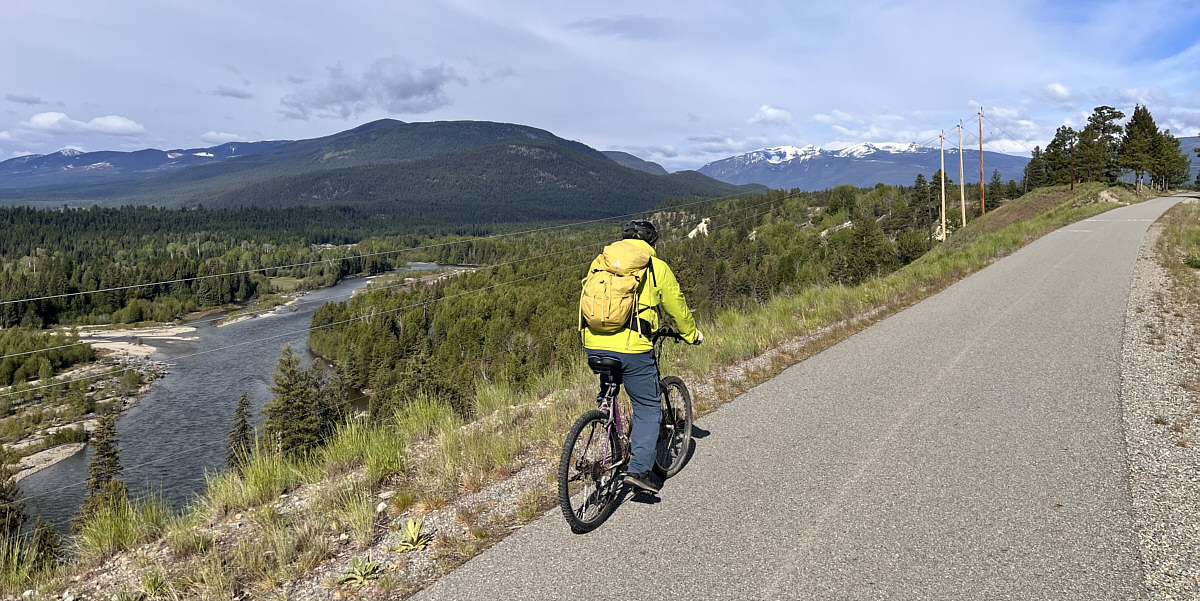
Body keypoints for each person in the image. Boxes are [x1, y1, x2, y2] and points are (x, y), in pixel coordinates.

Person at [581, 219, 702, 494]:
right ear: (652, 243)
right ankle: (638, 472)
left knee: (610, 391)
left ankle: (606, 424)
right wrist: (692, 335)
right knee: (648, 408)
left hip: (594, 343)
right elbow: (677, 305)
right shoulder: (655, 268)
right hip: (633, 348)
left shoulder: (601, 262)